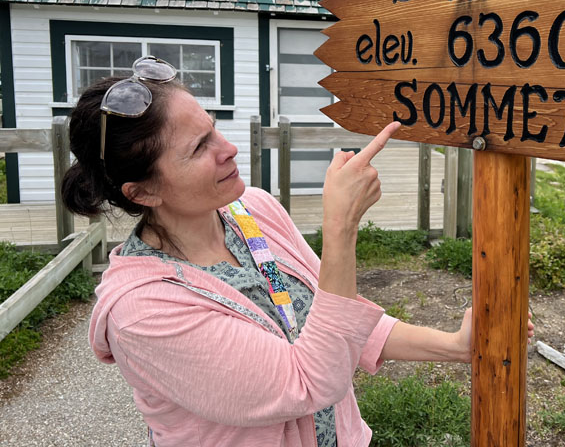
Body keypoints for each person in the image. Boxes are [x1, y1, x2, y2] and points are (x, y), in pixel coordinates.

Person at [63, 56, 532, 447]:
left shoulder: (253, 211)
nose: (228, 149)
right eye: (199, 147)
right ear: (143, 193)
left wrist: (454, 346)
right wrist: (342, 226)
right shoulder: (142, 312)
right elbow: (309, 381)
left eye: (214, 128)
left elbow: (337, 318)